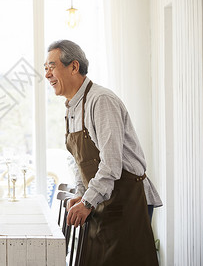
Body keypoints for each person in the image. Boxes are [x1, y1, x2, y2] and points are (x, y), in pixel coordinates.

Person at [44, 40, 162, 266]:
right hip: (103, 201)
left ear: (74, 67)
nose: (47, 74)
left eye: (52, 66)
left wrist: (87, 202)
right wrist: (81, 193)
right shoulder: (72, 107)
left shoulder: (101, 100)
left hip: (127, 200)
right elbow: (79, 162)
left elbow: (111, 163)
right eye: (45, 68)